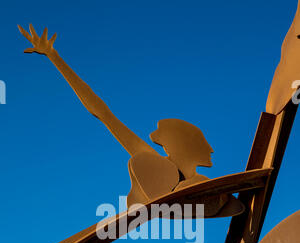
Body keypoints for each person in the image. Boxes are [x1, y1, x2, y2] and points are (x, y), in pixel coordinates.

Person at [18, 24, 214, 206]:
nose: (211, 149)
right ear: (183, 145)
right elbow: (103, 113)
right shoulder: (152, 163)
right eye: (203, 142)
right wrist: (53, 56)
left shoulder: (204, 185)